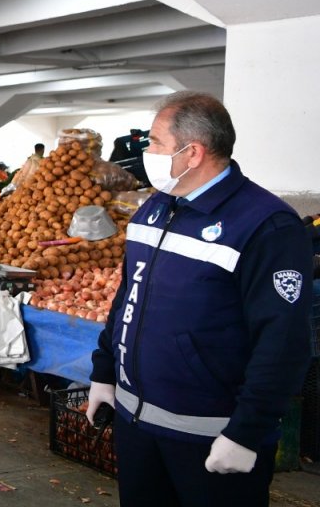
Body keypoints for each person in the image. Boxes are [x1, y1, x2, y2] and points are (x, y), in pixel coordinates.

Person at [86, 92, 313, 507]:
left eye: (154, 142)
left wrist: (247, 432)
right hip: (137, 423)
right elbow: (127, 297)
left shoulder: (265, 226)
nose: (145, 151)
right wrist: (105, 372)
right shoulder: (155, 208)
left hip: (211, 437)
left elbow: (283, 341)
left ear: (192, 153)